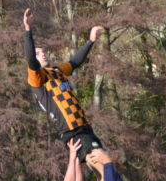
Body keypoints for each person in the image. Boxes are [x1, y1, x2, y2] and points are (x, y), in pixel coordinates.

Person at [23, 8, 105, 162]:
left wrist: (91, 41)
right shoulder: (37, 78)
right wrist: (28, 30)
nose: (43, 54)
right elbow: (30, 60)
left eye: (43, 51)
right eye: (38, 53)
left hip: (84, 126)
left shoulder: (57, 71)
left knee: (90, 171)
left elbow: (75, 61)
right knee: (103, 161)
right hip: (72, 130)